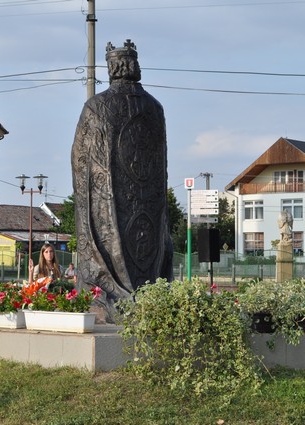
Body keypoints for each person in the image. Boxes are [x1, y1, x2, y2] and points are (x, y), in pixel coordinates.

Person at [72, 39, 173, 322]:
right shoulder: (155, 108)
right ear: (135, 67)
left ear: (112, 68)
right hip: (149, 202)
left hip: (109, 204)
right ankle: (150, 297)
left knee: (106, 238)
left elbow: (80, 158)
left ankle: (111, 296)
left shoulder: (96, 106)